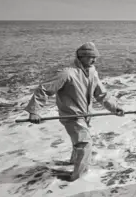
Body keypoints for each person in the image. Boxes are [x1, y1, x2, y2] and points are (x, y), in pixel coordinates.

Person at [24, 42, 124, 181]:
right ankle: (78, 178)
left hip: (85, 115)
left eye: (95, 57)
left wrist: (114, 107)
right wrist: (34, 111)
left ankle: (73, 163)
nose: (94, 60)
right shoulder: (67, 73)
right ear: (80, 57)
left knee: (79, 142)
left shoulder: (92, 72)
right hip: (71, 116)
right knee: (85, 144)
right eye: (90, 57)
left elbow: (101, 93)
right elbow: (44, 89)